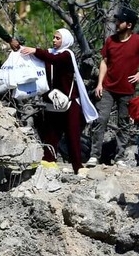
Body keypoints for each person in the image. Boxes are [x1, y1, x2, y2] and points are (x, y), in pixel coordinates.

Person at [88, 7, 139, 167]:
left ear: (128, 25)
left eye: (120, 21)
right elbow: (104, 61)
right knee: (101, 119)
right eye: (116, 20)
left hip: (127, 89)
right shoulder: (111, 40)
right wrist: (100, 83)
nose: (116, 23)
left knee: (124, 123)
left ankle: (120, 157)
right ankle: (94, 156)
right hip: (107, 87)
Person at [20, 28, 98, 174]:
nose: (54, 40)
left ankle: (78, 166)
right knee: (51, 133)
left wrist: (35, 50)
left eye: (58, 38)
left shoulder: (67, 55)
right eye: (54, 37)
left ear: (65, 41)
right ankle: (49, 160)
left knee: (72, 135)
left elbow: (54, 59)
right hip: (53, 100)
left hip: (69, 101)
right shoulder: (50, 53)